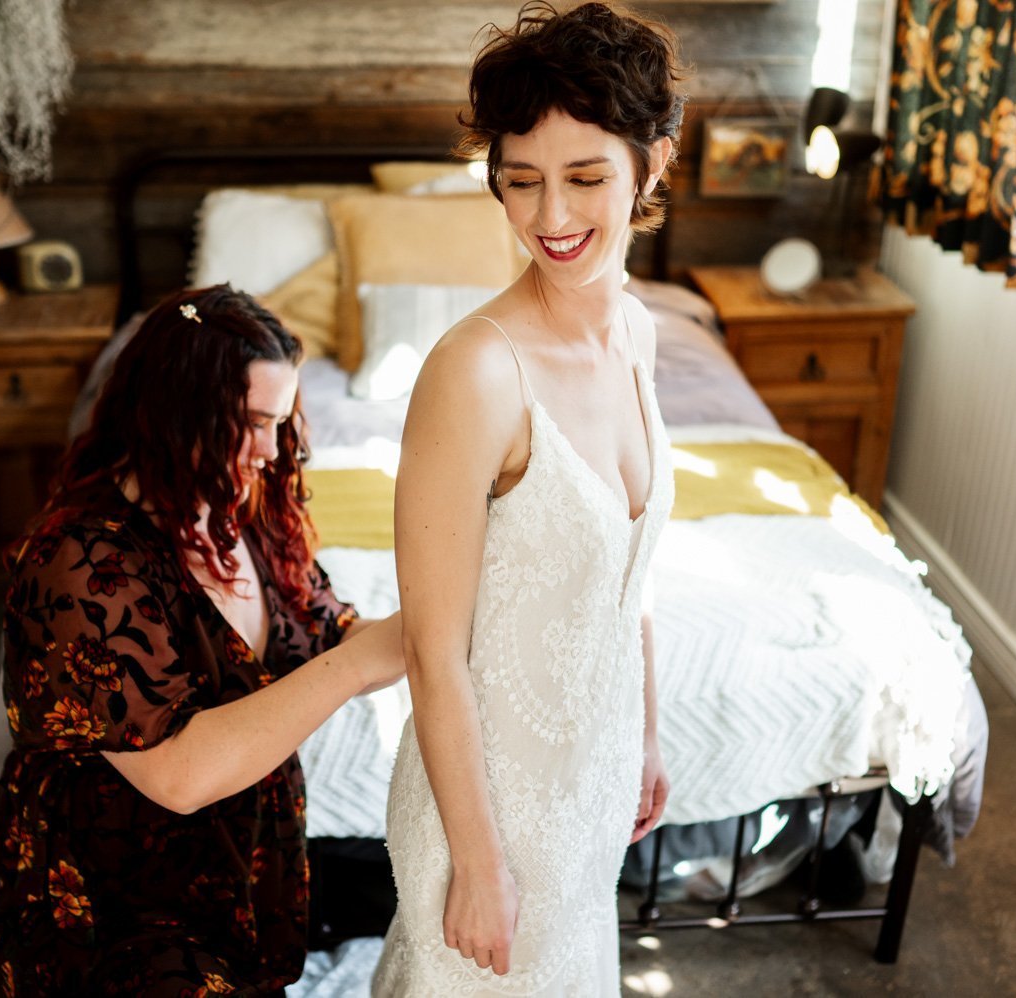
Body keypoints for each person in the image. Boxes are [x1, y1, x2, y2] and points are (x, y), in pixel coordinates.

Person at [372, 4, 683, 994]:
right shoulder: (475, 373)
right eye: (520, 182)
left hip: (586, 795)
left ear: (655, 165)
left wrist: (645, 734)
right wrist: (476, 863)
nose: (552, 218)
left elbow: (624, 577)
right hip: (488, 814)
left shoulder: (638, 333)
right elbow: (432, 644)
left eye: (586, 178)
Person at [0, 285, 404, 996]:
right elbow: (177, 775)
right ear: (170, 415)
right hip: (116, 899)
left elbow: (332, 633)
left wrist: (443, 617)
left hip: (244, 864)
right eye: (247, 423)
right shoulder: (80, 563)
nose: (271, 451)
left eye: (279, 421)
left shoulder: (248, 515)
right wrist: (359, 664)